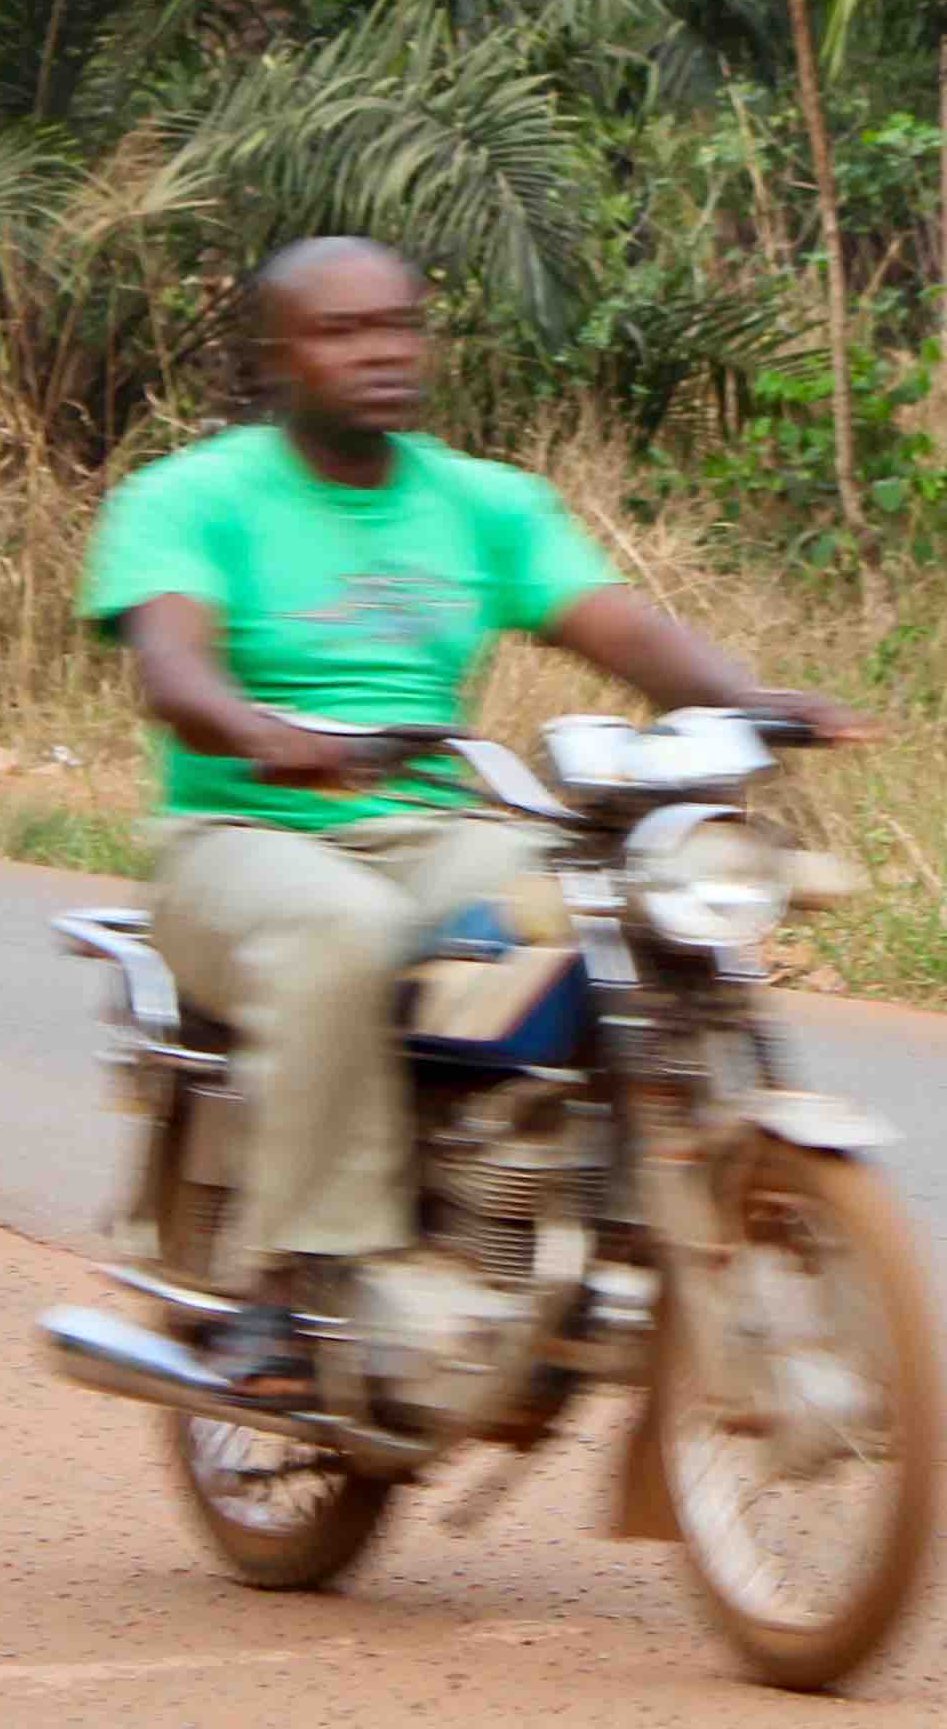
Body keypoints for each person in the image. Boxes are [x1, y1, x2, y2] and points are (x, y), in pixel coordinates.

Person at [81, 236, 853, 1392]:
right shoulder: (189, 498)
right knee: (339, 935)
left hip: (443, 826)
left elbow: (622, 628)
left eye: (398, 324)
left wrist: (753, 700)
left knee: (628, 901)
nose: (381, 351)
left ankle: (605, 1212)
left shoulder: (484, 502)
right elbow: (175, 672)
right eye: (342, 332)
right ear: (274, 355)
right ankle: (293, 1288)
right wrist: (272, 735)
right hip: (242, 837)